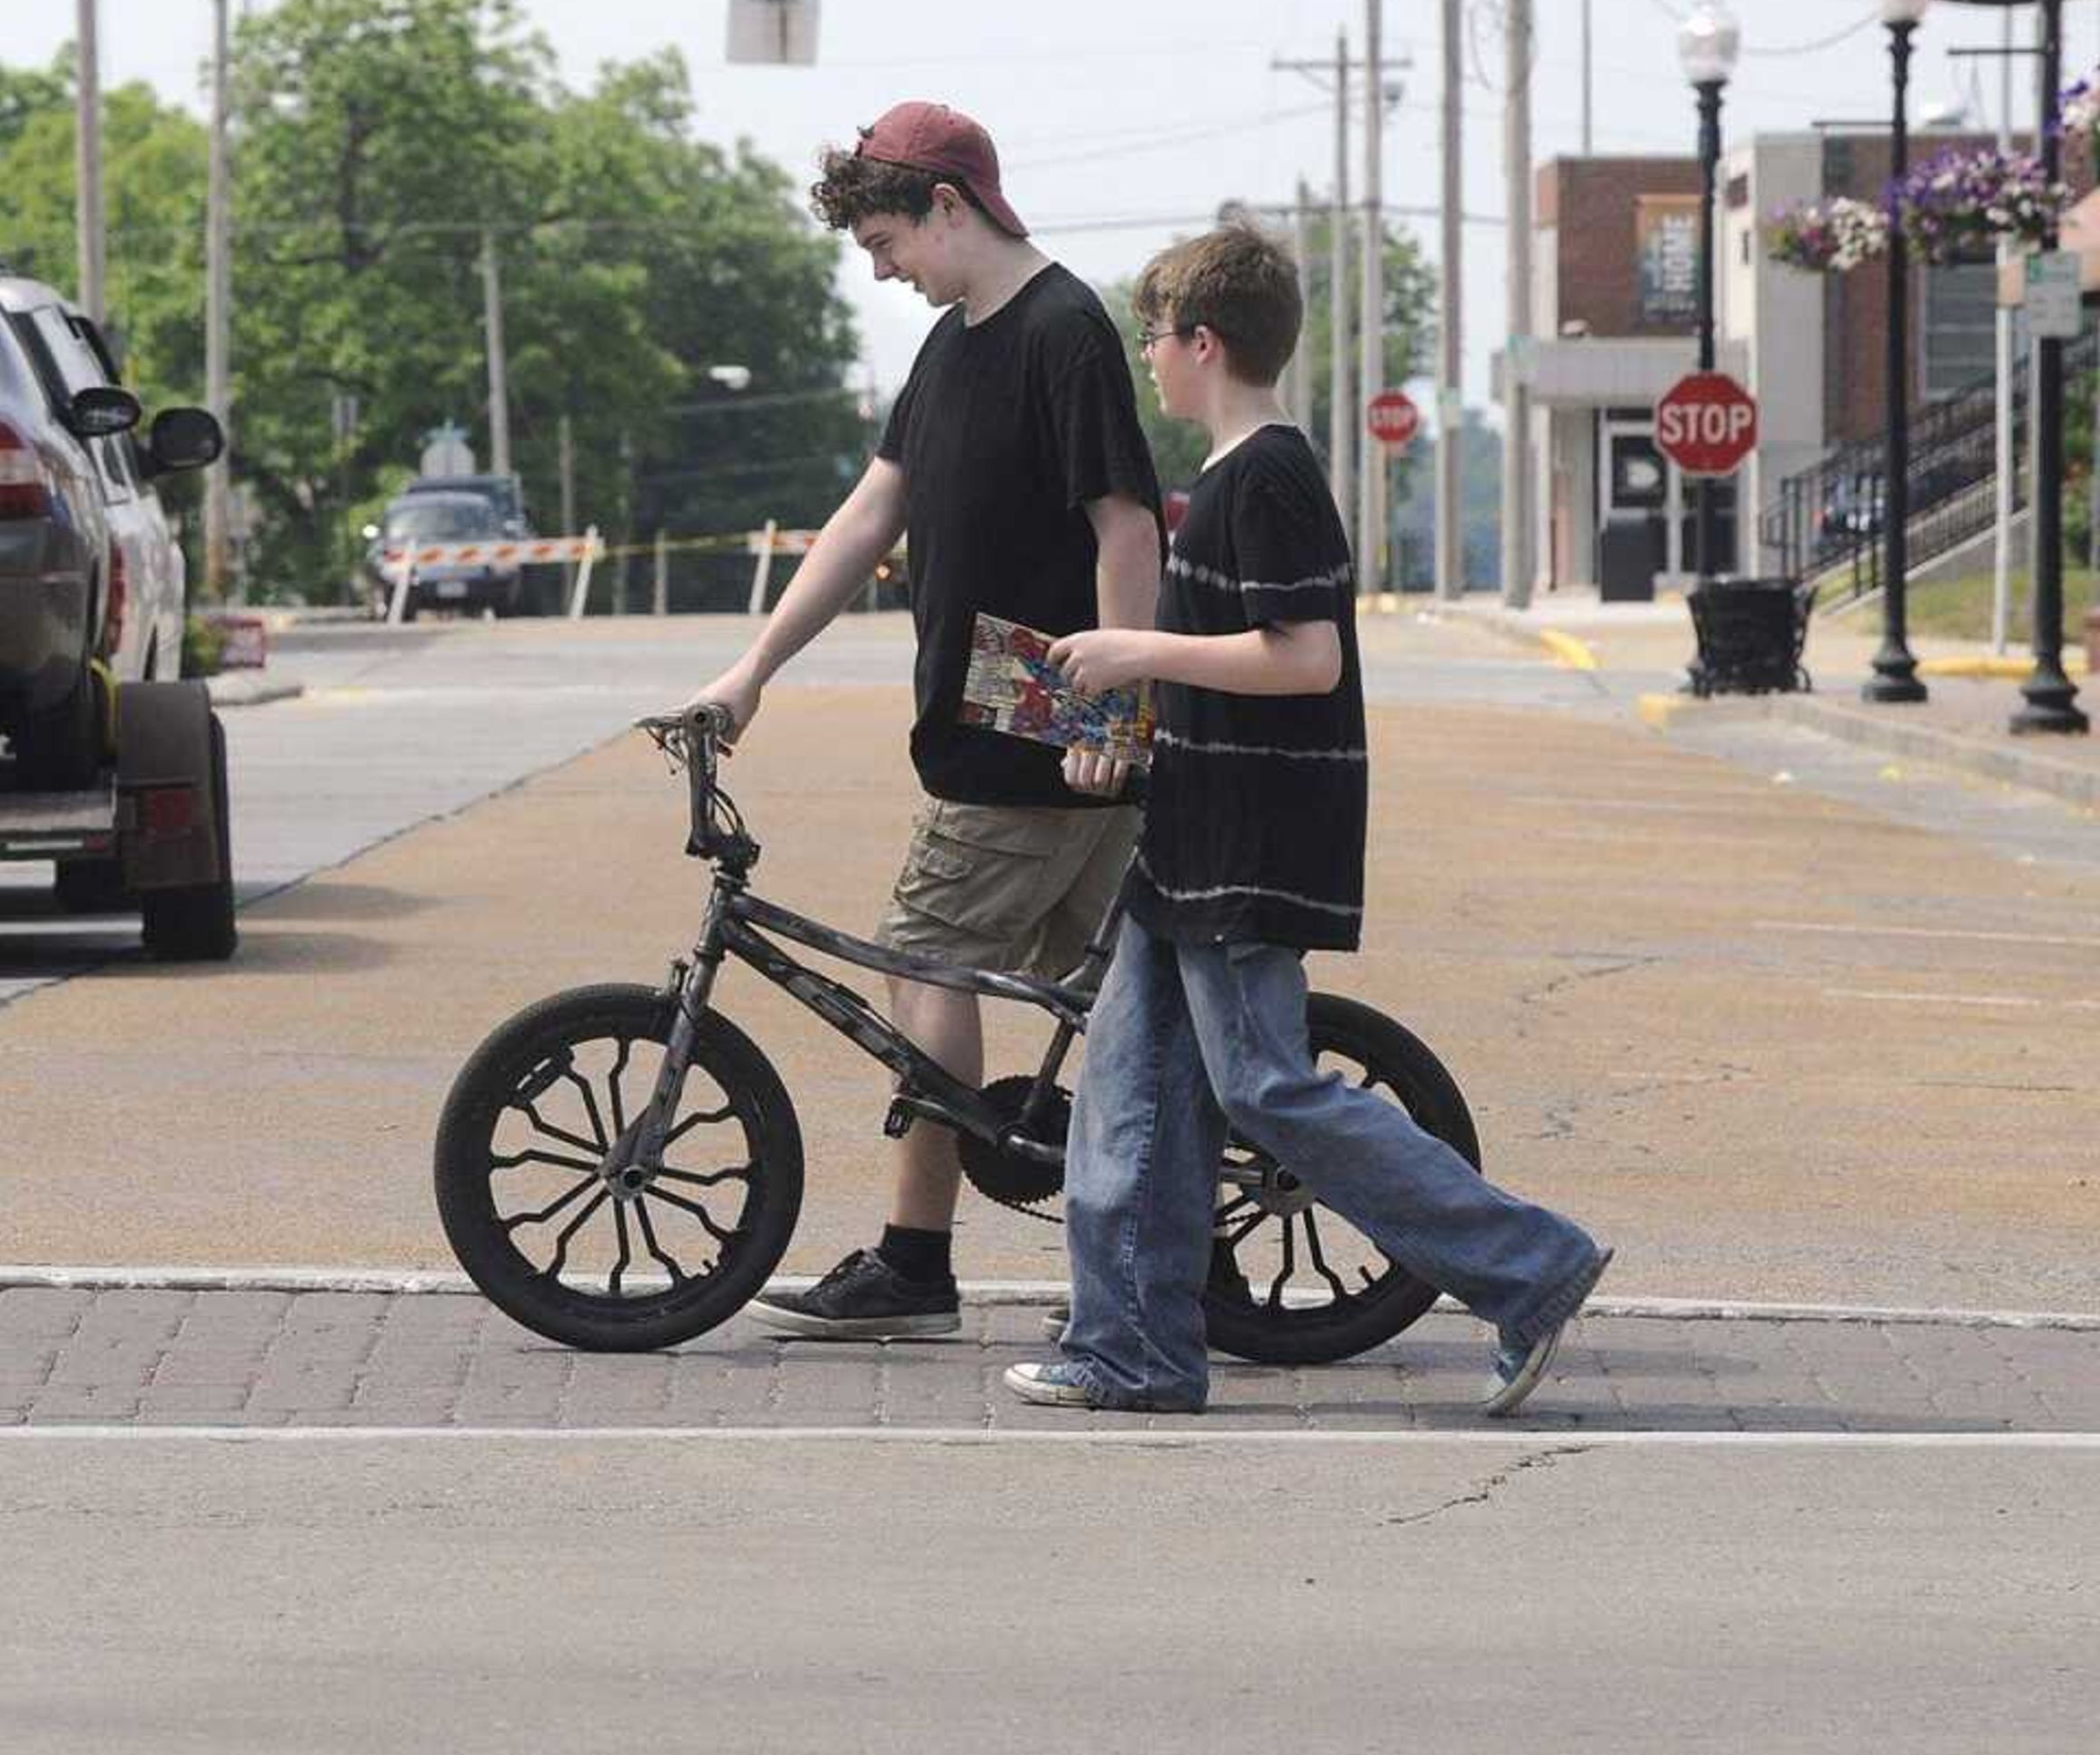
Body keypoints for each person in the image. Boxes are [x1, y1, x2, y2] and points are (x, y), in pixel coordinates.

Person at [1004, 223, 1610, 1418]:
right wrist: (1124, 731)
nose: (1151, 364)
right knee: (1131, 1094)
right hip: (1192, 834)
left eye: (1156, 341)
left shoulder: (1265, 477)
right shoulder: (1237, 480)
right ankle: (1132, 1349)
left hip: (1247, 843)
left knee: (1269, 1088)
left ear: (1203, 342)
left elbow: (1304, 657)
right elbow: (1243, 661)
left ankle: (1531, 1265)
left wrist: (1139, 646)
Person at [689, 101, 1163, 1342]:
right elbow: (869, 513)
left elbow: (1126, 525)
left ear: (952, 205)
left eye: (890, 241)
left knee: (923, 954)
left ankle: (914, 1259)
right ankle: (1173, 1242)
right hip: (1017, 714)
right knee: (1124, 1002)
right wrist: (754, 667)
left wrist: (1113, 703)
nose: (884, 270)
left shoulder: (1063, 331)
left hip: (1042, 710)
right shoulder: (955, 345)